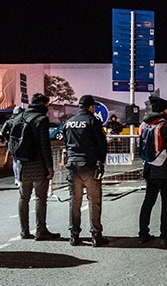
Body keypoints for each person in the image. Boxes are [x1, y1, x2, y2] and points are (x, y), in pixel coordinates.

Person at [9, 94, 60, 240]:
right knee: (40, 198)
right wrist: (50, 167)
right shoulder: (41, 119)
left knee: (23, 198)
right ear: (42, 104)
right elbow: (45, 146)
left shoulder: (20, 116)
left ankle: (24, 231)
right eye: (47, 105)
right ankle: (41, 230)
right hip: (38, 164)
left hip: (22, 163)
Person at [63, 95, 108, 247]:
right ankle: (96, 235)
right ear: (90, 107)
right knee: (94, 201)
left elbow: (66, 143)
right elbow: (101, 144)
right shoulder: (93, 121)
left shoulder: (69, 122)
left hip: (72, 166)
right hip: (89, 165)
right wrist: (101, 162)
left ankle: (74, 235)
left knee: (75, 201)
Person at [137, 96, 167, 245]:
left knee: (148, 201)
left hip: (149, 168)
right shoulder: (166, 125)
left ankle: (143, 233)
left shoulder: (143, 125)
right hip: (166, 170)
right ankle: (165, 235)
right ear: (163, 110)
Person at [1, 106, 25, 185]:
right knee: (20, 160)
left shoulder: (9, 122)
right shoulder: (23, 122)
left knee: (15, 161)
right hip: (21, 142)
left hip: (11, 143)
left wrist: (6, 139)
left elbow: (2, 132)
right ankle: (21, 177)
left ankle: (16, 178)